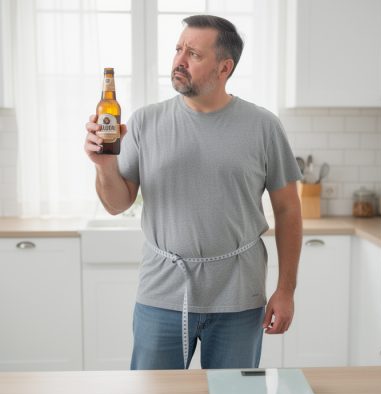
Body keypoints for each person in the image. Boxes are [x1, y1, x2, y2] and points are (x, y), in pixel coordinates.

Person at [83, 15, 303, 369]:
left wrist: (286, 289)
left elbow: (289, 211)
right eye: (178, 49)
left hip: (239, 297)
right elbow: (115, 204)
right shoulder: (143, 122)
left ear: (224, 68)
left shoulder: (263, 126)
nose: (179, 61)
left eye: (194, 54)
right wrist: (103, 164)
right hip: (161, 294)